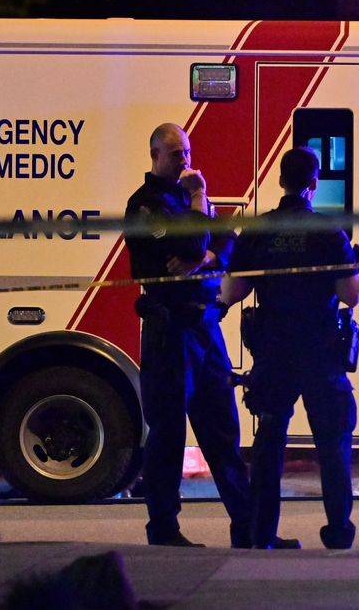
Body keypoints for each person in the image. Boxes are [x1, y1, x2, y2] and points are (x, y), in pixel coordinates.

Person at [220, 147, 359, 550]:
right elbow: (351, 295)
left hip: (274, 352)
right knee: (333, 446)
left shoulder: (258, 230)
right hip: (320, 353)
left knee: (268, 446)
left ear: (281, 180)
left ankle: (261, 534)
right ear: (314, 183)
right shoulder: (329, 232)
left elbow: (233, 291)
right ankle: (338, 534)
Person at [124, 122, 251, 548]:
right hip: (169, 330)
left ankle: (248, 528)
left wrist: (208, 254)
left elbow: (228, 242)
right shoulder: (146, 207)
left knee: (223, 428)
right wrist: (201, 220)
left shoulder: (185, 199)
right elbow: (194, 243)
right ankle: (163, 530)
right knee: (167, 434)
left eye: (188, 152)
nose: (186, 161)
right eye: (177, 154)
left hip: (204, 328)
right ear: (155, 155)